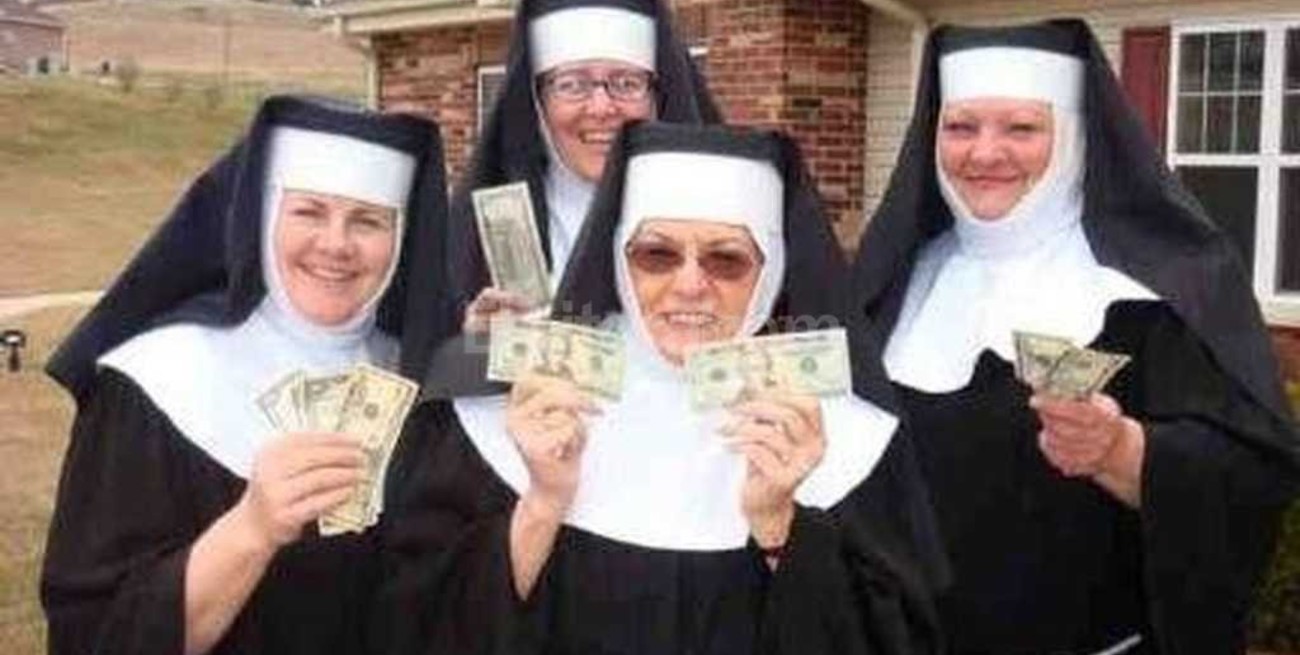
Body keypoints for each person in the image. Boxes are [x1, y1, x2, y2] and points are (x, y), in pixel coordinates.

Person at [379, 121, 947, 655]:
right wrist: (543, 502)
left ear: (772, 268)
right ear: (618, 259)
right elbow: (425, 622)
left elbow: (895, 637)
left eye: (727, 260)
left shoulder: (848, 434)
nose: (690, 285)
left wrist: (780, 526)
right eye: (657, 255)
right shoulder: (510, 404)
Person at [852, 19, 1300, 655]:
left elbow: (1253, 474)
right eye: (960, 127)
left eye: (1021, 128)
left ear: (1074, 137)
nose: (984, 153)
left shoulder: (1157, 293)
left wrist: (1125, 451)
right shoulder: (894, 284)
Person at [40, 95, 452, 655]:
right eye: (309, 211)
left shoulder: (419, 384)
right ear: (263, 217)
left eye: (368, 220)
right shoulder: (154, 381)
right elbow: (92, 632)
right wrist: (251, 531)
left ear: (401, 239)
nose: (336, 244)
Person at [448, 0, 720, 334]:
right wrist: (472, 347)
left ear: (657, 98)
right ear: (537, 102)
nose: (602, 108)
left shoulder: (729, 225)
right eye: (572, 85)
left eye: (627, 83)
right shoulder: (472, 239)